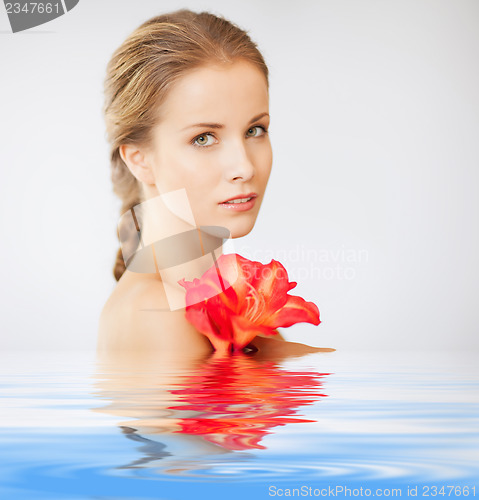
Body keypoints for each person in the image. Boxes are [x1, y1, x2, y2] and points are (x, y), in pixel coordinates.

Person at [97, 8, 333, 359]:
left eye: (255, 130)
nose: (244, 167)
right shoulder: (156, 311)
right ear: (140, 159)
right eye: (204, 138)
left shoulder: (224, 303)